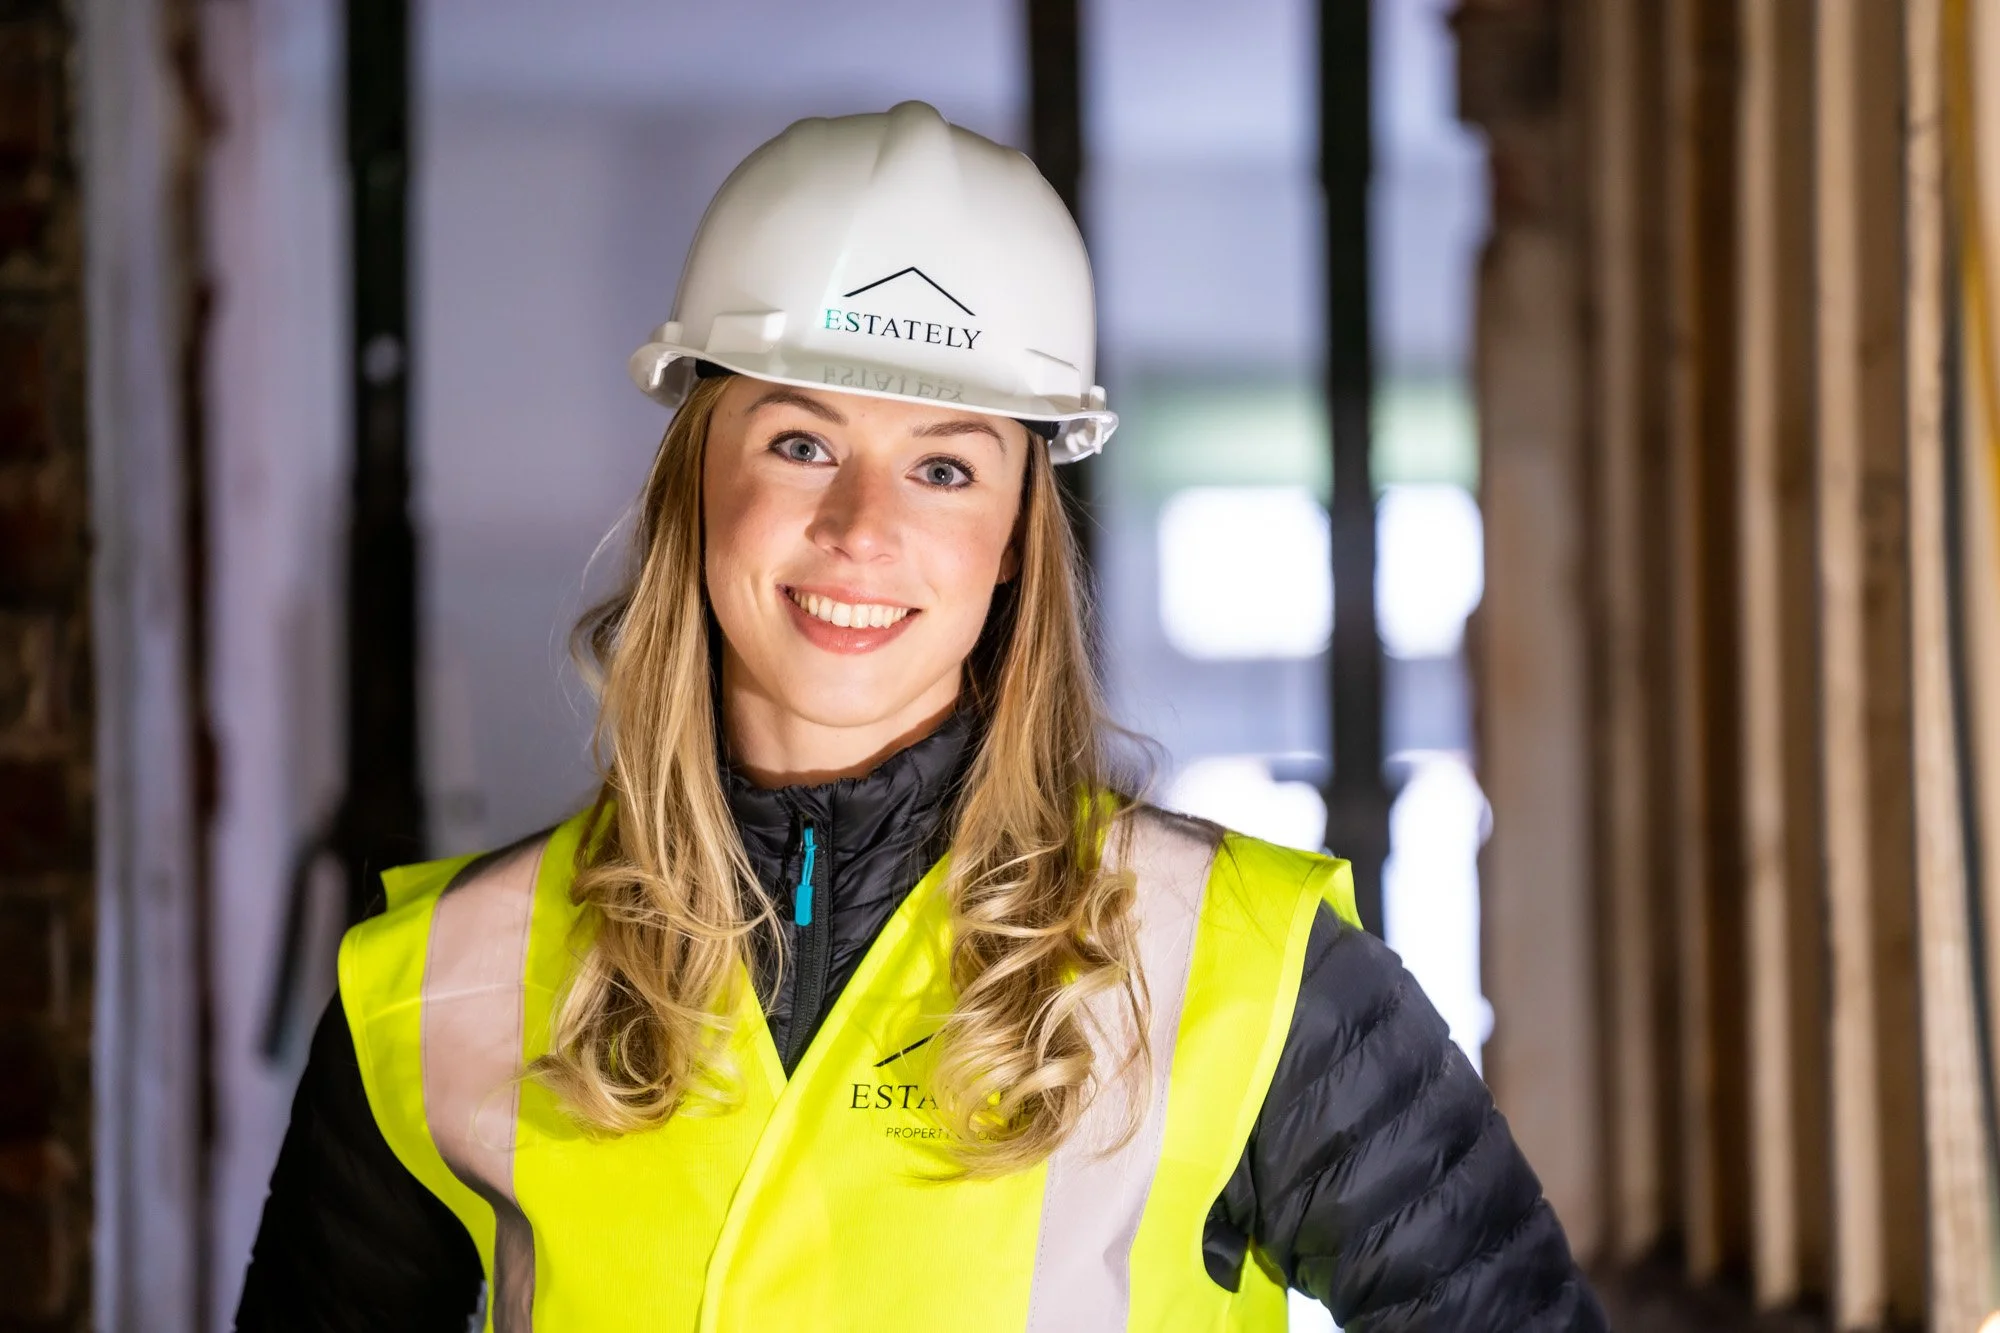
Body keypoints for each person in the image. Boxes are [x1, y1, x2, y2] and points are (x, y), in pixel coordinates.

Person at [237, 101, 1605, 1331]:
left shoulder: (1242, 973)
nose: (861, 529)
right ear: (693, 484)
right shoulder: (437, 987)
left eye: (944, 467)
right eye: (801, 443)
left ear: (1017, 533)